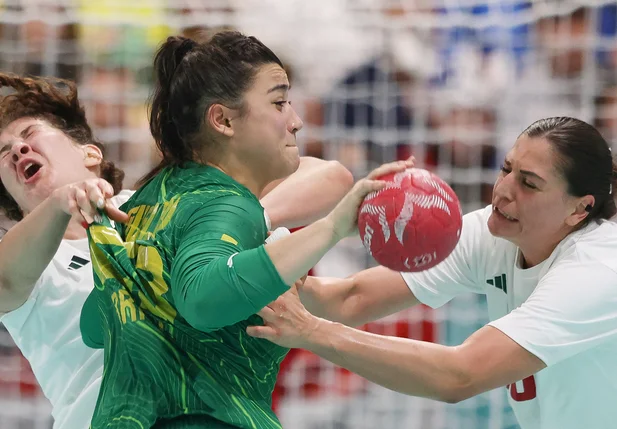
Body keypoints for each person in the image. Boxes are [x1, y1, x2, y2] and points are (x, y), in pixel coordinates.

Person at [79, 32, 412, 429]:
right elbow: (202, 301)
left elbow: (95, 326)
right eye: (279, 103)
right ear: (222, 120)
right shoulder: (228, 203)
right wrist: (333, 227)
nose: (296, 121)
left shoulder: (149, 198)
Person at [0, 72, 354, 429]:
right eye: (4, 152)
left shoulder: (158, 206)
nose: (18, 149)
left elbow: (330, 177)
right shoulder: (27, 263)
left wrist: (234, 216)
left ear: (90, 153)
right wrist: (61, 202)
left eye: (29, 135)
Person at [248, 116, 617, 429]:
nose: (503, 191)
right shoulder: (494, 233)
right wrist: (270, 266)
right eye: (507, 169)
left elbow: (459, 375)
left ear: (579, 210)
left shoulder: (596, 273)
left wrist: (311, 331)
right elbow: (351, 298)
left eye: (529, 184)